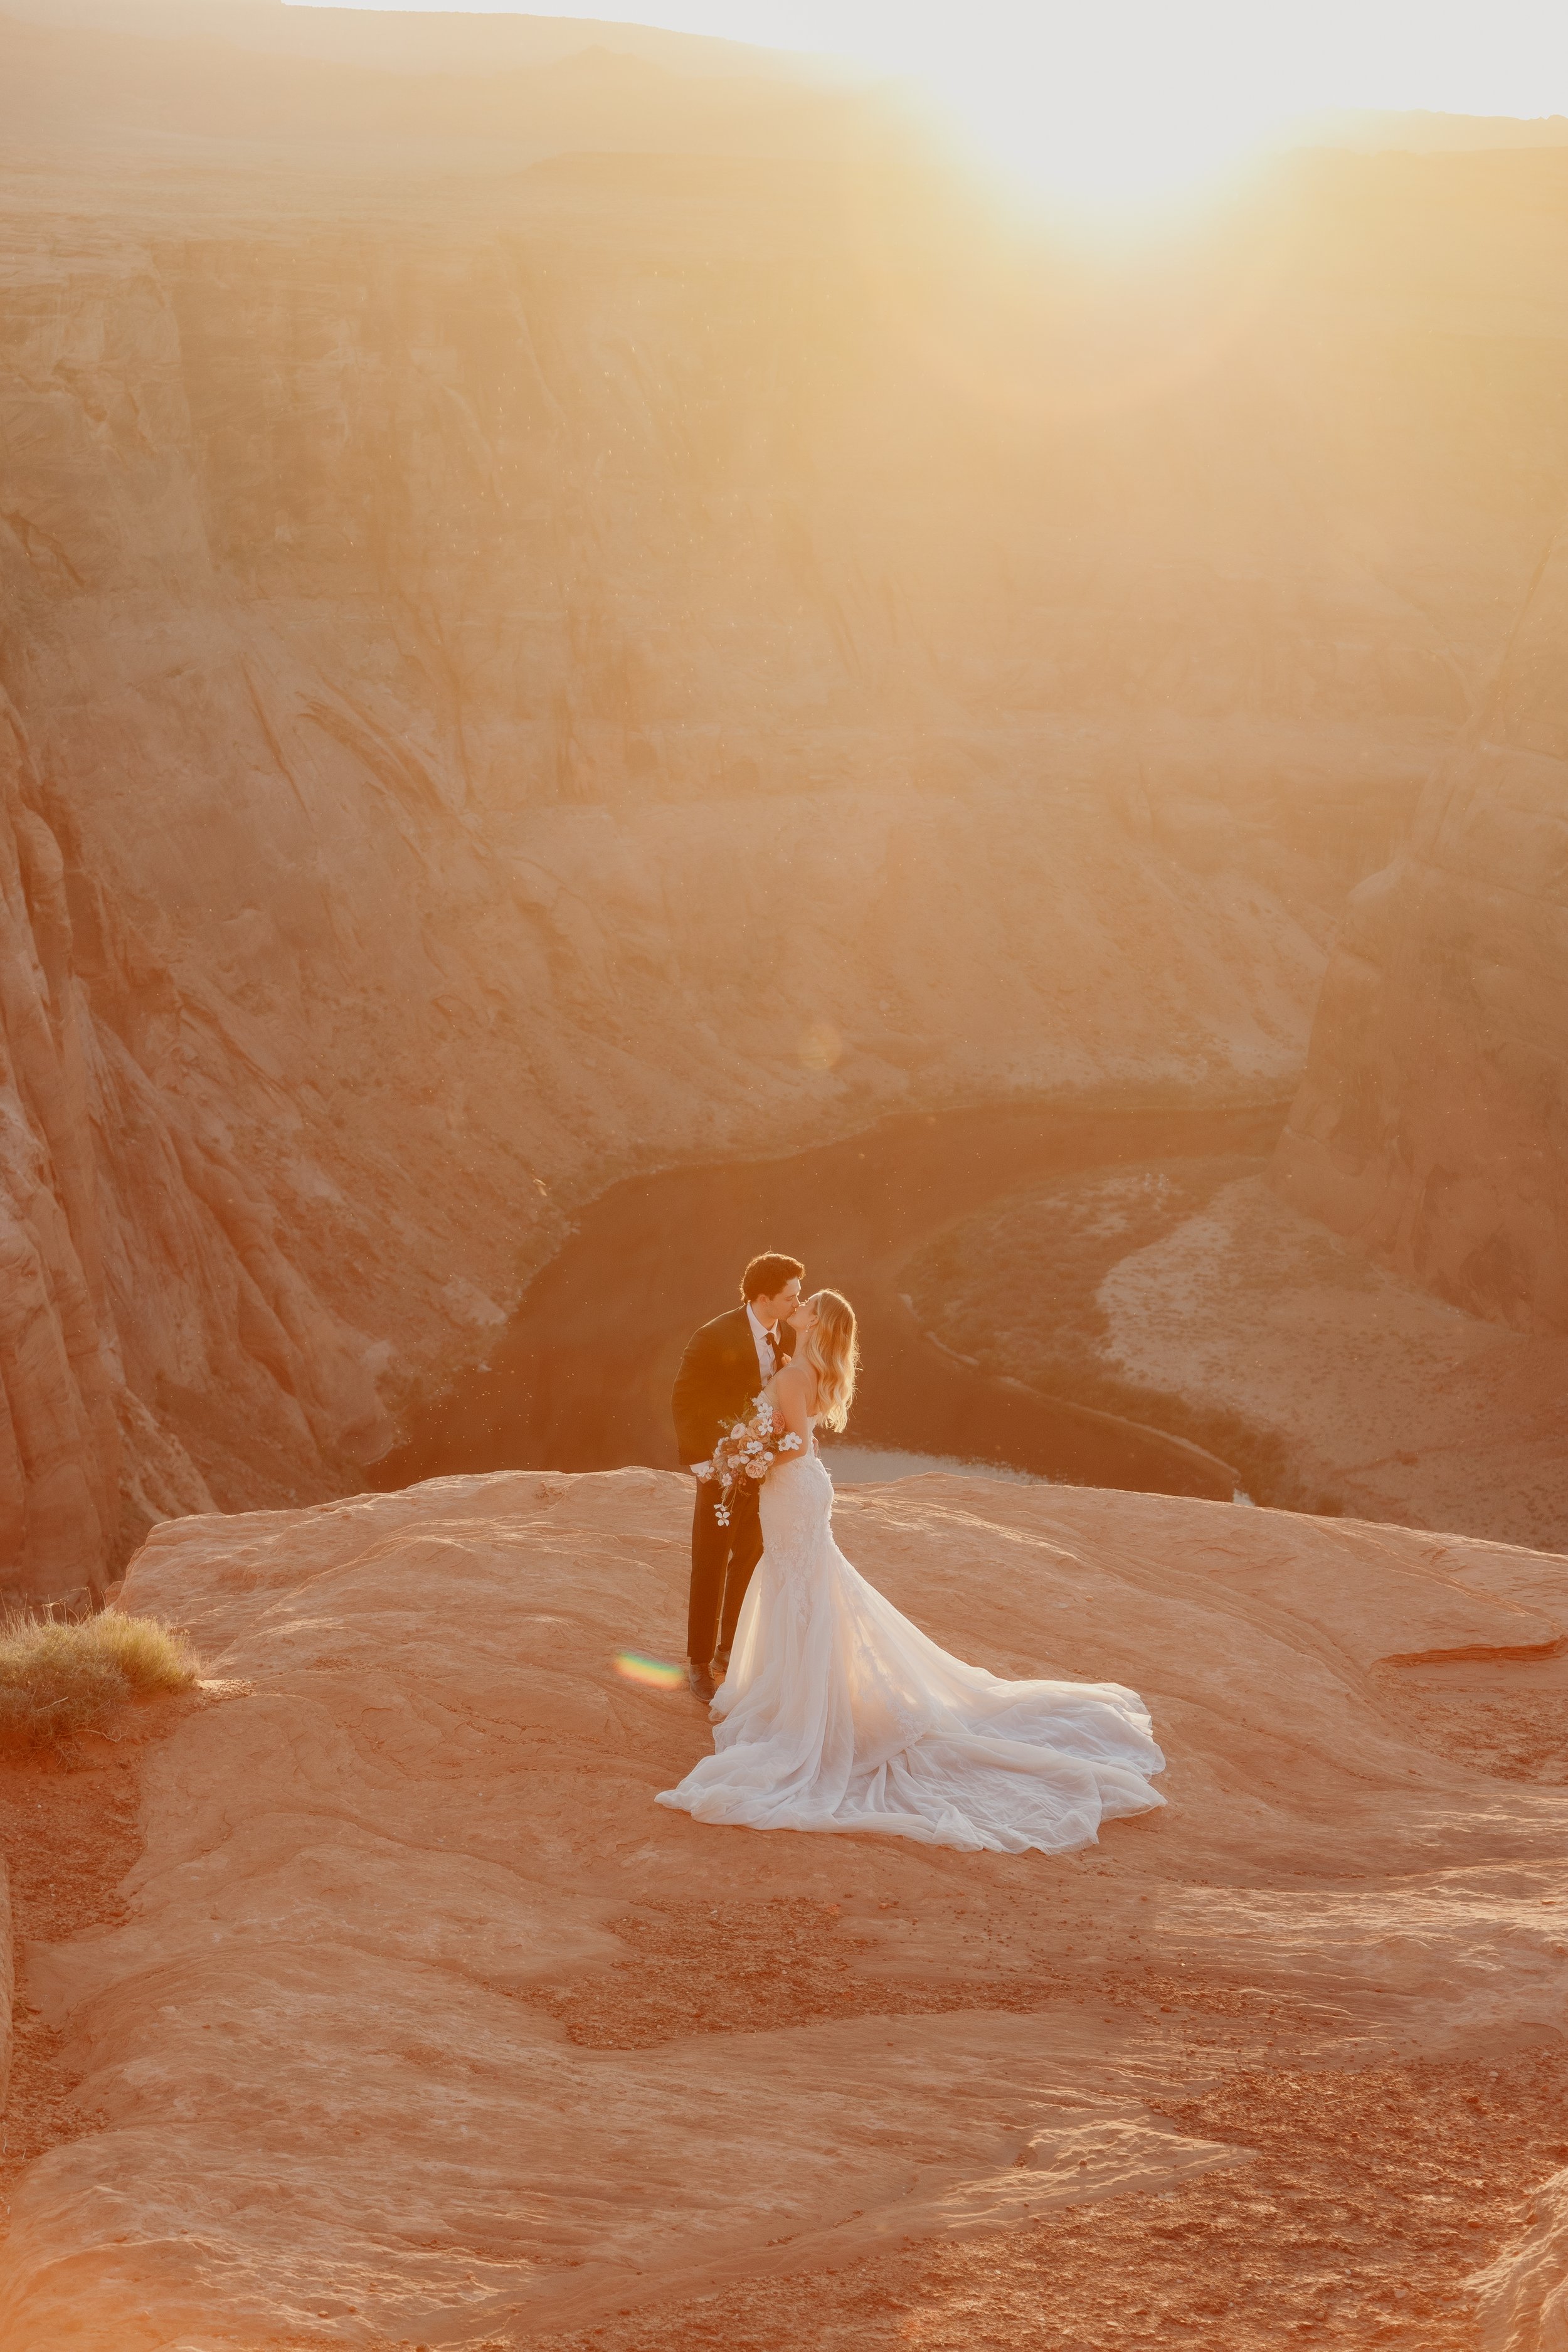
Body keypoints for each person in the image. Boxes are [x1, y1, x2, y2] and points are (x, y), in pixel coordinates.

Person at [659, 1288, 1166, 1855]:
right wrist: (750, 1451)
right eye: (796, 1300)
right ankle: (800, 1688)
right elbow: (796, 1433)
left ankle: (806, 1703)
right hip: (799, 1492)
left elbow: (797, 1443)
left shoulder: (794, 1375)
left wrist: (746, 1457)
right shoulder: (804, 1369)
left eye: (807, 1305)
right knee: (803, 1584)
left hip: (793, 1488)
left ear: (816, 1322)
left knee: (798, 1583)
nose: (798, 1307)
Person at [672, 1252, 805, 1703]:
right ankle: (697, 1662)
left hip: (763, 1469)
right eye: (790, 1296)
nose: (797, 1302)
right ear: (763, 1297)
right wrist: (702, 1462)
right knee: (709, 1562)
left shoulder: (785, 1332)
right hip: (719, 1468)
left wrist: (769, 1453)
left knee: (748, 1558)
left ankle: (730, 1650)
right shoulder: (713, 1336)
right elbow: (685, 1399)